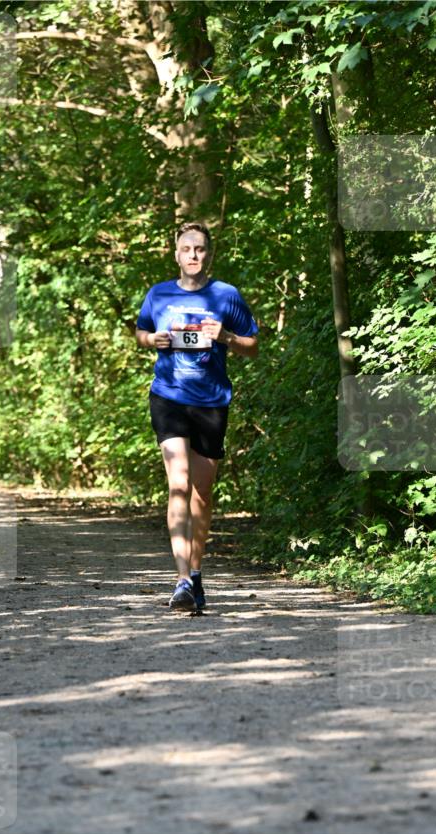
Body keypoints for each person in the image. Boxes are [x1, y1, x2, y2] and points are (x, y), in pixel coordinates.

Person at [135, 222, 259, 612]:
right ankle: (182, 582)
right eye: (187, 248)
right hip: (168, 397)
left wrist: (226, 337)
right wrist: (151, 340)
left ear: (209, 254)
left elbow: (252, 346)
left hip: (211, 402)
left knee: (202, 492)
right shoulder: (159, 294)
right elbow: (141, 331)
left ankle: (196, 570)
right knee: (179, 483)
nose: (193, 255)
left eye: (200, 249)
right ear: (176, 254)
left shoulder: (226, 295)